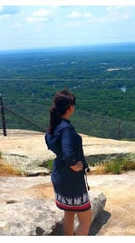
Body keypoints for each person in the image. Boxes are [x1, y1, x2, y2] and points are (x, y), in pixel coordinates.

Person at [45, 89, 92, 235]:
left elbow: (49, 140)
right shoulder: (66, 129)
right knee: (86, 219)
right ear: (70, 107)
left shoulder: (55, 125)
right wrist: (75, 165)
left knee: (69, 213)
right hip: (71, 181)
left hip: (59, 175)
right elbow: (68, 154)